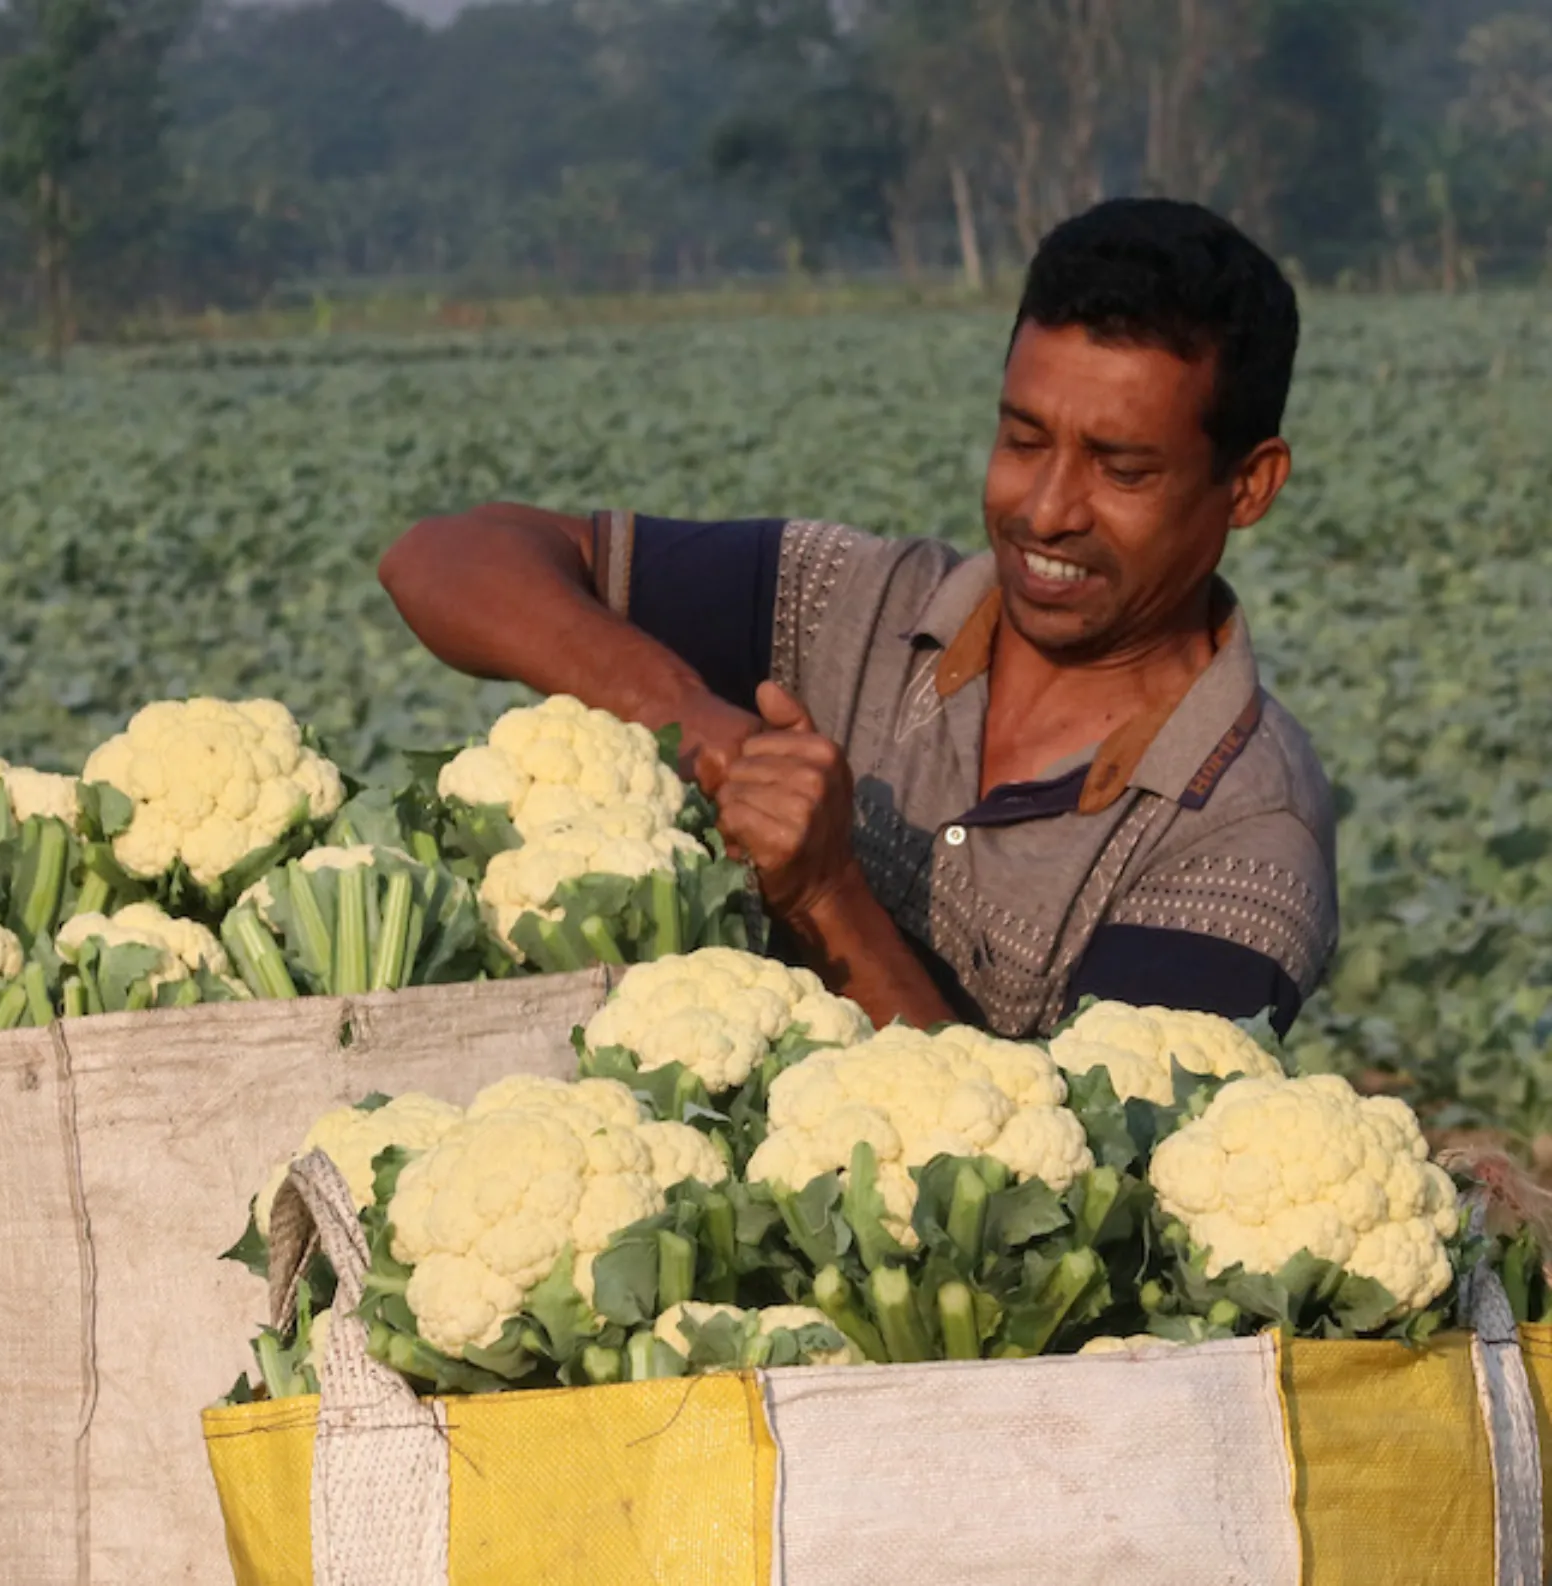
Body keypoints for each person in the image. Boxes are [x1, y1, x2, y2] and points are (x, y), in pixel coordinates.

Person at [381, 198, 1333, 1039]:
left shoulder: (1247, 841)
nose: (1047, 509)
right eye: (1023, 439)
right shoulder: (853, 602)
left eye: (1122, 470)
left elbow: (1076, 1208)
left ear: (1249, 485)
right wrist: (696, 721)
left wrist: (828, 895)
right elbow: (442, 561)